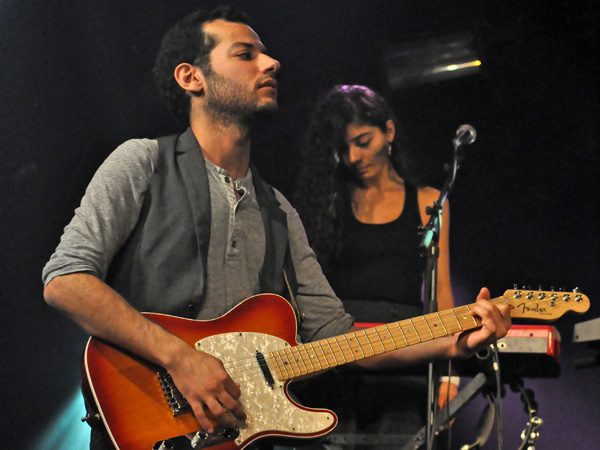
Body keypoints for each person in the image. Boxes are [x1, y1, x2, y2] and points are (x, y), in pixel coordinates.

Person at [42, 7, 510, 450]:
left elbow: (338, 338)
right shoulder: (142, 162)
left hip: (239, 434)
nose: (271, 62)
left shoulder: (279, 210)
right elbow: (65, 281)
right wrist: (180, 358)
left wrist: (457, 340)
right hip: (152, 426)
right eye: (245, 54)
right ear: (191, 77)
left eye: (263, 53)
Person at [293, 85, 459, 444]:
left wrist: (449, 373)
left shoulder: (429, 201)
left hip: (405, 355)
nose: (353, 156)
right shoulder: (327, 202)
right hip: (339, 356)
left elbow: (440, 291)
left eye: (363, 141)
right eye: (343, 148)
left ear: (389, 132)